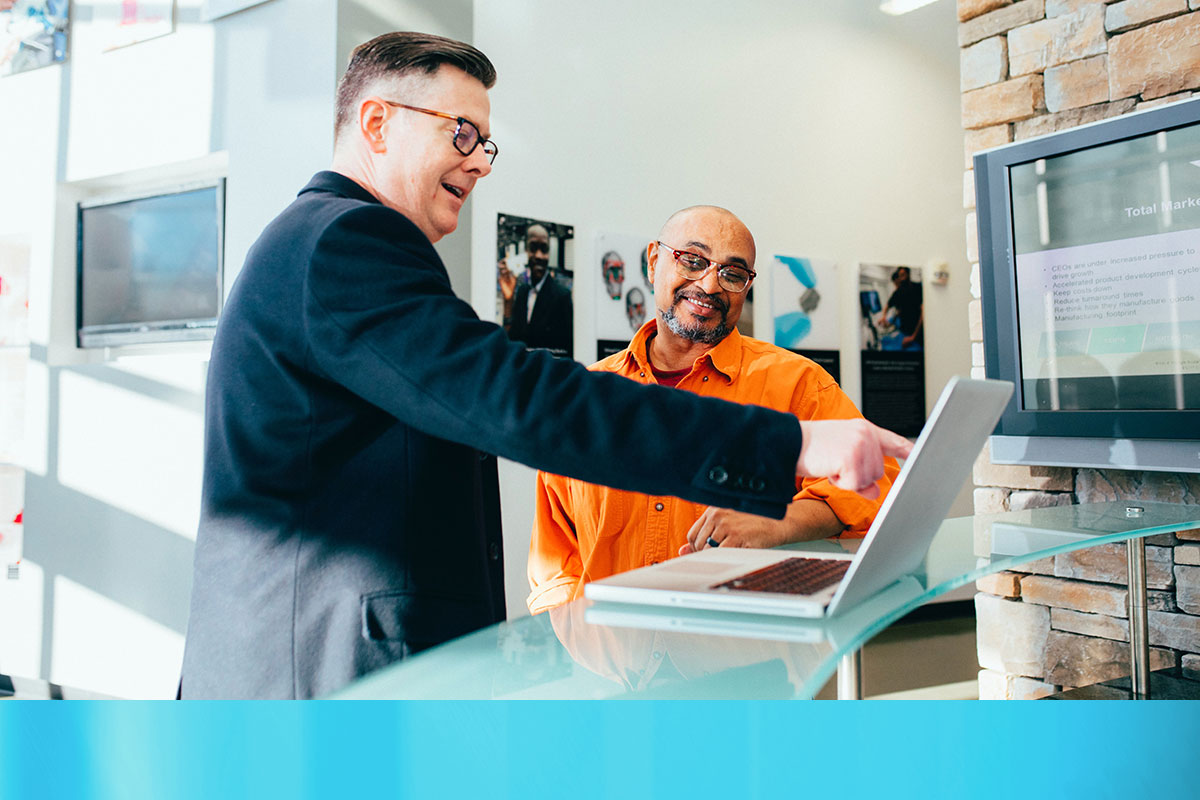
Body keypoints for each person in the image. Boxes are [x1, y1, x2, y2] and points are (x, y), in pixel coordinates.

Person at [180, 32, 910, 699]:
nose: (477, 160)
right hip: (320, 674)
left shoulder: (322, 243)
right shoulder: (346, 242)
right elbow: (519, 401)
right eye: (461, 133)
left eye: (486, 144)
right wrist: (794, 444)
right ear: (376, 124)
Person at [527, 206, 900, 614]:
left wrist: (776, 522)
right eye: (692, 260)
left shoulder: (798, 384)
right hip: (610, 663)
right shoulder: (588, 397)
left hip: (744, 659)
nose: (709, 284)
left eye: (732, 273)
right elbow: (555, 559)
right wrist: (576, 648)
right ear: (654, 261)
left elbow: (879, 483)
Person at [498, 223, 572, 356]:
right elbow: (512, 341)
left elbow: (566, 352)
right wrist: (508, 301)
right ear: (526, 250)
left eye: (544, 249)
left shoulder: (562, 296)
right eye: (533, 248)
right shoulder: (522, 291)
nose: (538, 256)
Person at [883, 266, 923, 349]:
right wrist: (884, 317)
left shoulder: (917, 288)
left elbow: (923, 313)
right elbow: (890, 306)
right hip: (904, 331)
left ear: (908, 274)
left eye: (903, 275)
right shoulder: (898, 292)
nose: (901, 279)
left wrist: (913, 337)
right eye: (900, 276)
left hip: (916, 334)